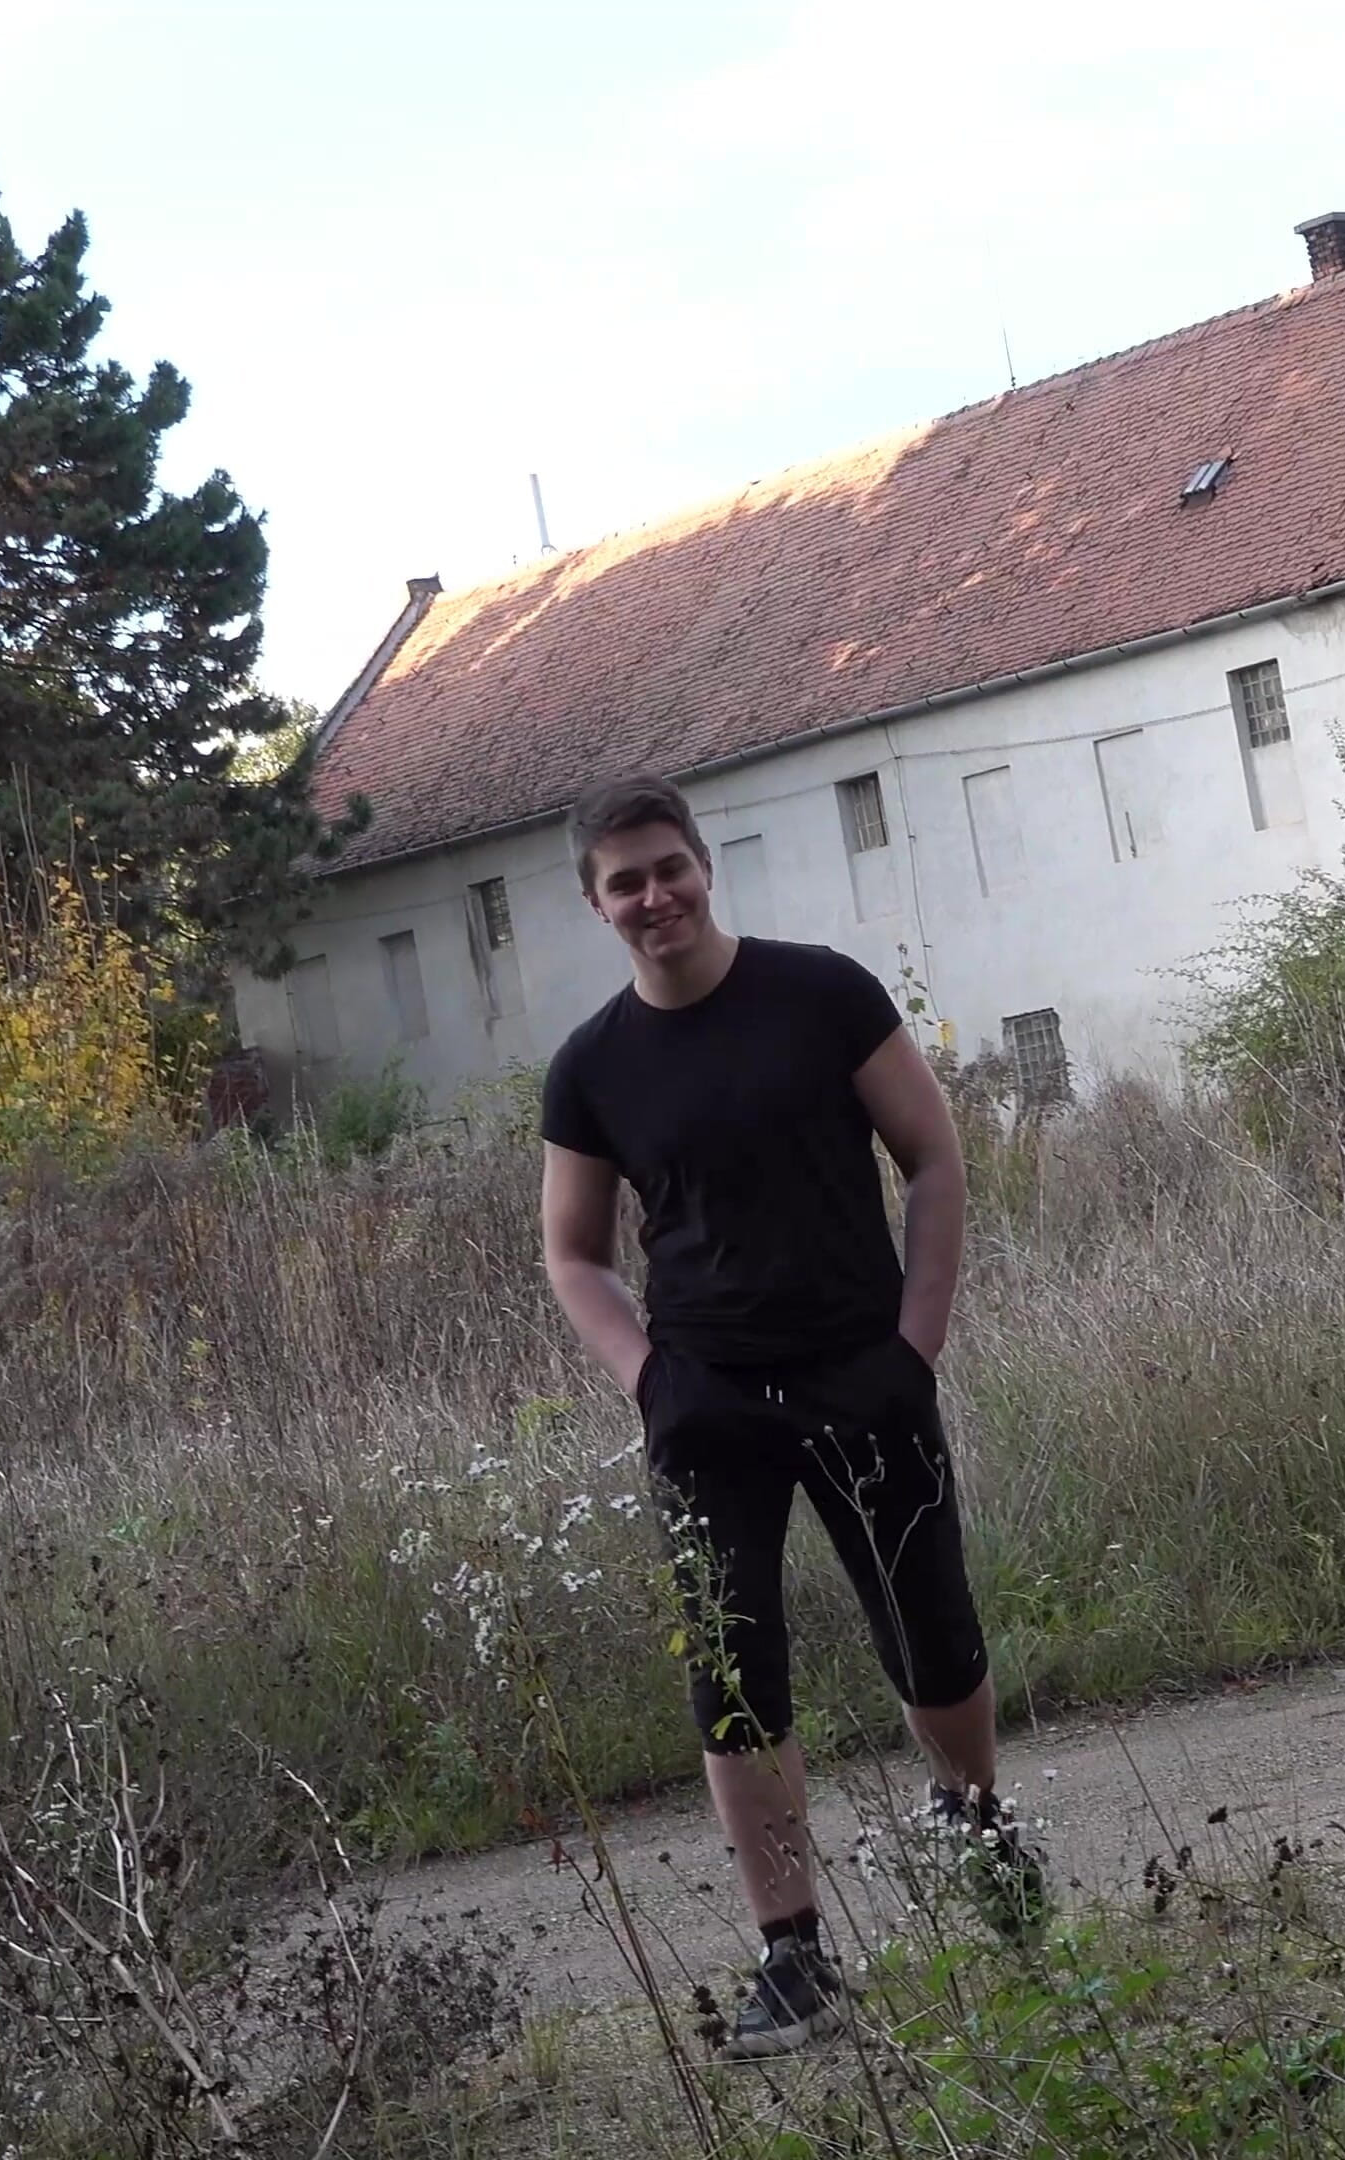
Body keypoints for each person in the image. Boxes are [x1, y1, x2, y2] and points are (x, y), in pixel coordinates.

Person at [536, 773, 1044, 2058]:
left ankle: (975, 1820)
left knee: (933, 1636)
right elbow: (575, 1254)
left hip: (862, 1374)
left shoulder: (824, 995)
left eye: (669, 867)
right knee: (733, 1676)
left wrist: (915, 1342)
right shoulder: (592, 1068)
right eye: (625, 882)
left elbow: (933, 1158)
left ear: (704, 866)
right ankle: (794, 1951)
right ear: (597, 906)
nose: (655, 896)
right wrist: (650, 1380)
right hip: (708, 1406)